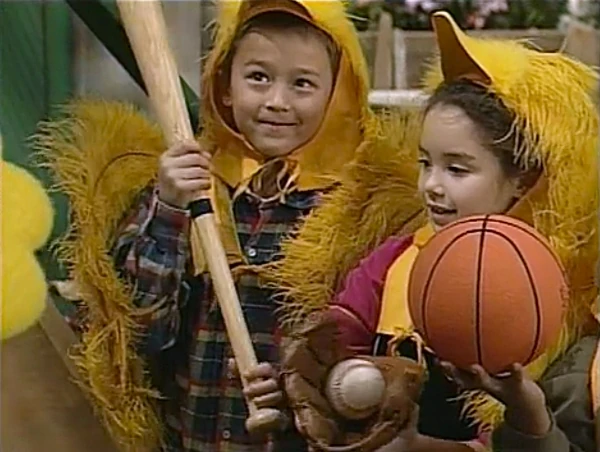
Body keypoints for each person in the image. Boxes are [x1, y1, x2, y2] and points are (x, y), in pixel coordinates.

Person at [37, 0, 376, 451]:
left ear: (336, 96)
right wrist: (169, 206)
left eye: (302, 84)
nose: (277, 101)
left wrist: (297, 385)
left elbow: (359, 361)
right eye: (258, 77)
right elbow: (141, 333)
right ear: (225, 85)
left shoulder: (356, 214)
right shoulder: (187, 186)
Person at [275, 11, 600, 452]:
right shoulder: (395, 260)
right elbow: (336, 338)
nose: (431, 184)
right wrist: (304, 376)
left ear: (522, 180)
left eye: (457, 169)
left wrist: (417, 447)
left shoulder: (552, 296)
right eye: (425, 163)